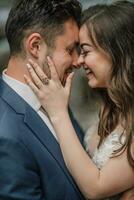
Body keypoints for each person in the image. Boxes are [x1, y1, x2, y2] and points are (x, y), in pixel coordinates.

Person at [25, 1, 134, 199]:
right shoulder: (111, 108)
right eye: (74, 50)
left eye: (85, 50)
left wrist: (58, 112)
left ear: (117, 51)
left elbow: (96, 188)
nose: (79, 61)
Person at [0, 0, 86, 199]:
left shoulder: (52, 95)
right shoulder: (5, 133)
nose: (77, 61)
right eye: (70, 49)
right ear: (36, 46)